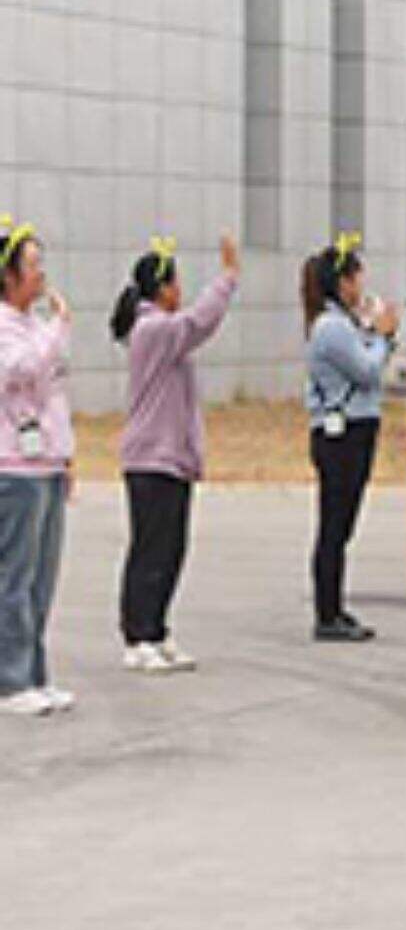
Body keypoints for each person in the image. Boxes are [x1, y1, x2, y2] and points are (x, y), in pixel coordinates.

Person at [111, 233, 240, 673]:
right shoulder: (152, 330)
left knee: (172, 549)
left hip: (173, 459)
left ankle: (158, 630)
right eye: (175, 283)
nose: (180, 290)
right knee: (150, 548)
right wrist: (226, 278)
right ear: (161, 288)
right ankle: (137, 635)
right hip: (150, 458)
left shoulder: (166, 335)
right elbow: (198, 322)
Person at [303, 235, 397, 642]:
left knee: (342, 524)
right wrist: (383, 336)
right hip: (341, 434)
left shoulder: (343, 324)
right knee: (334, 525)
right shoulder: (331, 328)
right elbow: (367, 371)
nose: (362, 286)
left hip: (355, 429)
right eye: (357, 278)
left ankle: (335, 607)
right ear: (342, 282)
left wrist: (372, 329)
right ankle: (327, 612)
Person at [0, 217, 75, 717]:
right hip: (13, 467)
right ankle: (10, 678)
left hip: (45, 462)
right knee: (15, 577)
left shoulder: (35, 325)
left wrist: (66, 454)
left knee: (43, 578)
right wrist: (59, 328)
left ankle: (35, 672)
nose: (41, 275)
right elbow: (20, 371)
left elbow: (55, 393)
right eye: (31, 265)